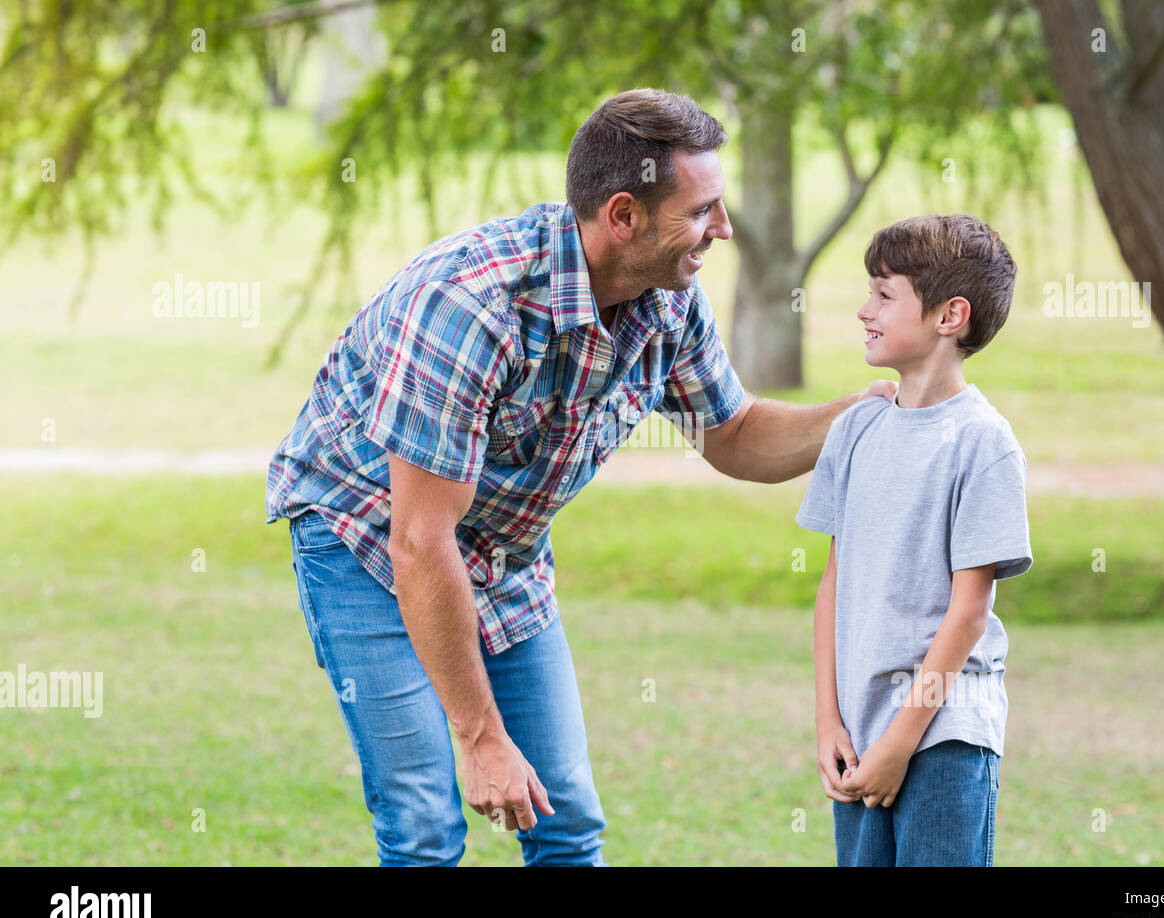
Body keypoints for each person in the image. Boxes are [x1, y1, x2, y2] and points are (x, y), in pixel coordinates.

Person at [264, 87, 897, 866]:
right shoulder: (473, 307)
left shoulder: (667, 304)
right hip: (367, 540)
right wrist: (482, 737)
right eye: (702, 210)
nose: (723, 229)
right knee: (425, 823)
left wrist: (860, 417)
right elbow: (419, 540)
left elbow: (733, 435)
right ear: (624, 215)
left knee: (566, 819)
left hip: (503, 555)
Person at [795, 213, 1033, 867]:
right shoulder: (855, 429)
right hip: (860, 732)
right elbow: (833, 587)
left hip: (944, 734)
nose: (864, 310)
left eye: (884, 293)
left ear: (949, 315)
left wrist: (903, 740)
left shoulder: (982, 443)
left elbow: (969, 612)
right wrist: (828, 722)